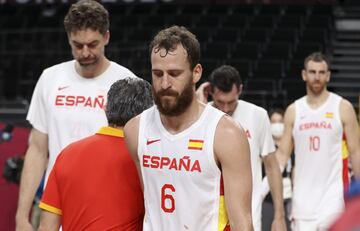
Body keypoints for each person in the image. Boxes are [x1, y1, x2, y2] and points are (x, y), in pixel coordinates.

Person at [15, 1, 137, 230]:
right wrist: (22, 215)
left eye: (93, 44)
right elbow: (38, 150)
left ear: (107, 37)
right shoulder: (50, 78)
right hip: (55, 207)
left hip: (107, 208)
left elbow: (135, 154)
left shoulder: (126, 82)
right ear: (68, 40)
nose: (86, 53)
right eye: (77, 45)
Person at [124, 26, 253, 231]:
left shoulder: (226, 133)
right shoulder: (134, 130)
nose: (165, 83)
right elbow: (148, 201)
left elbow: (242, 221)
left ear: (196, 73)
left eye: (174, 73)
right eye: (158, 74)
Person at [37, 78, 153, 231]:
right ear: (148, 114)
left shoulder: (67, 154)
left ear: (106, 109)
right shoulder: (148, 160)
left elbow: (46, 227)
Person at [275, 52, 360, 231]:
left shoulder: (343, 108)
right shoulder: (294, 110)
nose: (317, 77)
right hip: (302, 203)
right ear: (304, 75)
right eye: (312, 72)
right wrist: (263, 189)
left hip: (333, 201)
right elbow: (282, 156)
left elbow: (356, 152)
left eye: (322, 72)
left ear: (328, 75)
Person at [196, 65, 286, 231]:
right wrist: (198, 102)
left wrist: (279, 216)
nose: (225, 109)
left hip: (248, 213)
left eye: (230, 102)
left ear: (240, 90)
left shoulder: (257, 115)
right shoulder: (200, 114)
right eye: (220, 102)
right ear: (210, 92)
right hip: (207, 214)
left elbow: (272, 167)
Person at [262, 108, 293, 231]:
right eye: (273, 121)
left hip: (289, 197)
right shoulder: (265, 146)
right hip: (268, 197)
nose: (277, 125)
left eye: (280, 121)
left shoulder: (292, 145)